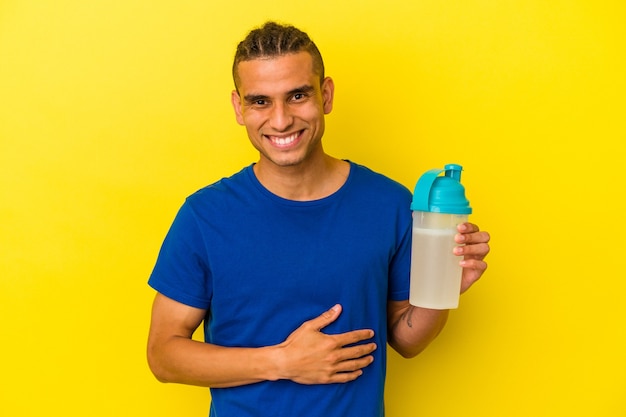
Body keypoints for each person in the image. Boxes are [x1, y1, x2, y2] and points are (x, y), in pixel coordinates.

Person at [147, 21, 490, 417]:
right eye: (260, 101)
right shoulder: (205, 216)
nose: (280, 120)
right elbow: (163, 355)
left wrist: (441, 287)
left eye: (297, 95)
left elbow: (407, 340)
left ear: (325, 95)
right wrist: (282, 362)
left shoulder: (390, 203)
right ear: (239, 108)